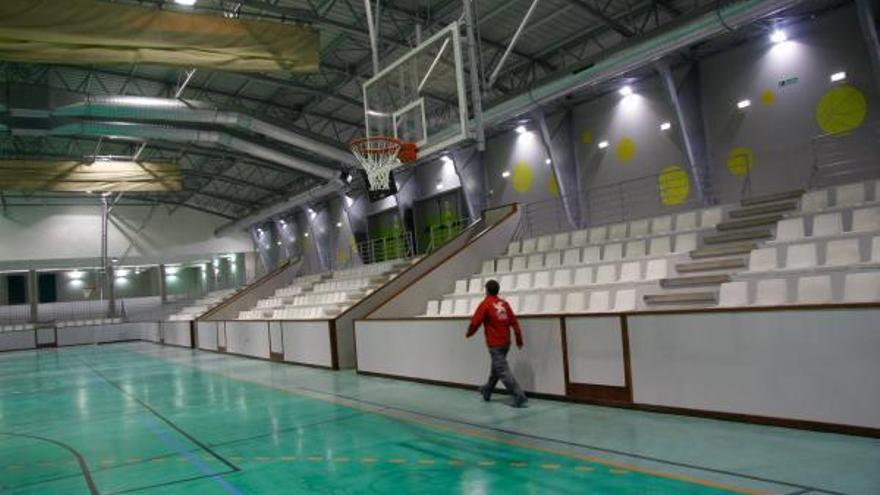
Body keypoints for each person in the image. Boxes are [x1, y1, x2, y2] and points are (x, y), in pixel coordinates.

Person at [465, 279, 528, 407]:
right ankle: (487, 390)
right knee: (496, 369)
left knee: (502, 371)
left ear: (487, 290)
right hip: (506, 343)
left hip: (495, 344)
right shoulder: (504, 304)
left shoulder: (485, 304)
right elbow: (514, 322)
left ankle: (519, 396)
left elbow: (475, 322)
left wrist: (469, 333)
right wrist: (519, 339)